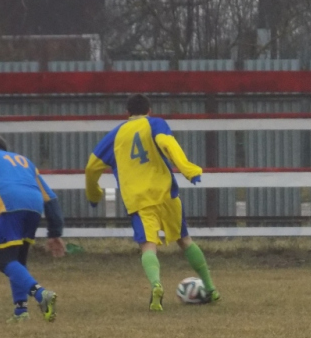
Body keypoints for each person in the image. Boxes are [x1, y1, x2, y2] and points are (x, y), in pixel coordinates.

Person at [85, 93, 220, 311]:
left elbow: (91, 167)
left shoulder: (114, 135)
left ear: (127, 114)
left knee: (148, 246)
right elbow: (167, 144)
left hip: (139, 199)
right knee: (185, 240)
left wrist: (94, 193)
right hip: (165, 193)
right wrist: (188, 169)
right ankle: (211, 288)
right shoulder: (155, 123)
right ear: (150, 111)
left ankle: (156, 285)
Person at [0, 134, 66, 323]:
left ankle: (41, 294)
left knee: (4, 262)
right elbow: (50, 197)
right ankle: (21, 311)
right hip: (34, 207)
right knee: (17, 261)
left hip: (8, 205)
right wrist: (55, 232)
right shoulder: (25, 162)